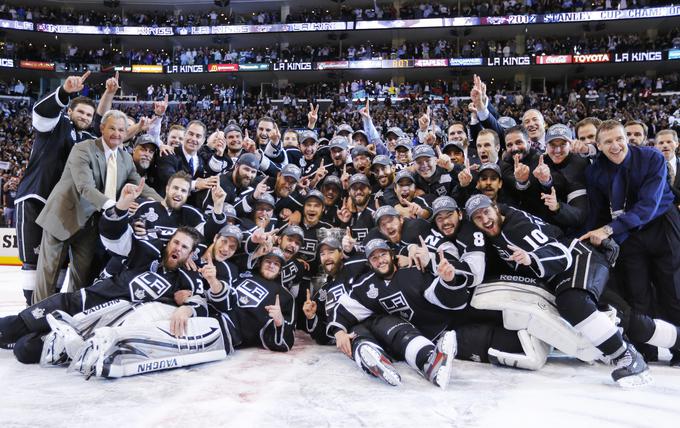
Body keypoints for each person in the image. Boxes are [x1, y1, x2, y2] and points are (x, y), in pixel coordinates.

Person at [465, 194, 651, 386]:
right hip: (565, 272)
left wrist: (532, 259)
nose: (485, 219)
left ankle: (626, 356)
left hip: (578, 259)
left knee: (572, 303)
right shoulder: (498, 230)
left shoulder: (516, 228)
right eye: (478, 217)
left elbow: (562, 255)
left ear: (495, 208)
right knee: (626, 319)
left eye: (486, 212)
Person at [33, 110, 162, 303]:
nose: (117, 134)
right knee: (48, 275)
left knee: (81, 279)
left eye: (121, 129)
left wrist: (165, 204)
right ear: (102, 128)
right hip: (62, 218)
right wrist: (115, 207)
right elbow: (85, 187)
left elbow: (141, 187)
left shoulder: (125, 159)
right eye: (112, 128)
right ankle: (36, 322)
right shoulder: (83, 148)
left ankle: (70, 317)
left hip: (91, 226)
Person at [583, 120, 680, 366]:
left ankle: (679, 348)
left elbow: (648, 206)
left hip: (661, 225)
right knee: (637, 293)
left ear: (626, 138)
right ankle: (644, 349)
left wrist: (608, 229)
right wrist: (585, 237)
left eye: (619, 139)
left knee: (672, 289)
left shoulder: (652, 158)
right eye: (608, 142)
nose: (615, 146)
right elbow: (597, 213)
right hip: (627, 235)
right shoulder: (594, 172)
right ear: (599, 145)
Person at [15, 72, 96, 305]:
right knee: (32, 260)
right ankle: (31, 312)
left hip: (62, 206)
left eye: (89, 114)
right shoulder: (56, 124)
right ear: (69, 111)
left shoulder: (87, 138)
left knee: (57, 261)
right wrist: (64, 91)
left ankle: (47, 309)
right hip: (36, 198)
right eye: (80, 111)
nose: (85, 116)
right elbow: (41, 112)